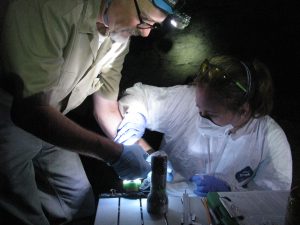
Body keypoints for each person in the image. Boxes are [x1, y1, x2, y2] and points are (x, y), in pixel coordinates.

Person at [0, 0, 190, 224]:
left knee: (78, 200)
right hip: (10, 116)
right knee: (25, 213)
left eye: (153, 26)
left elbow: (107, 108)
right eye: (145, 20)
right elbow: (30, 112)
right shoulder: (49, 7)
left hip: (54, 115)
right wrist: (113, 153)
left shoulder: (118, 35)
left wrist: (149, 156)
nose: (146, 33)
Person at [115, 55, 293, 197]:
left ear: (244, 111)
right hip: (169, 198)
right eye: (199, 105)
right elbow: (139, 97)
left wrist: (230, 192)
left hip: (228, 211)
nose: (199, 112)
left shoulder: (270, 137)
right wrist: (136, 117)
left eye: (210, 113)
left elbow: (273, 199)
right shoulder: (187, 101)